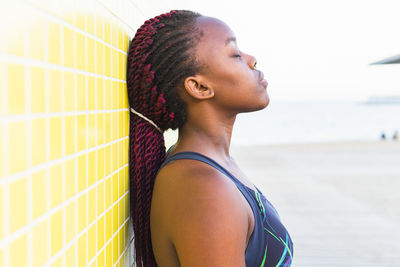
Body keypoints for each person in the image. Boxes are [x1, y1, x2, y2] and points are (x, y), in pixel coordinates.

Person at [127, 10, 293, 267]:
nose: (252, 60)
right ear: (199, 87)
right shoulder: (203, 188)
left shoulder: (212, 167)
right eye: (235, 55)